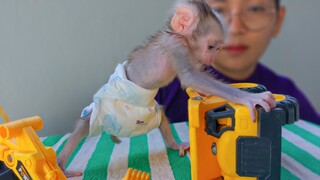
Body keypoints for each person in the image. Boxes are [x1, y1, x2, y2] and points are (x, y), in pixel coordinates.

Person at [156, 0, 320, 125]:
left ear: (278, 20)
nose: (234, 28)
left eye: (255, 9)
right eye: (217, 10)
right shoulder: (160, 82)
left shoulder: (287, 98)